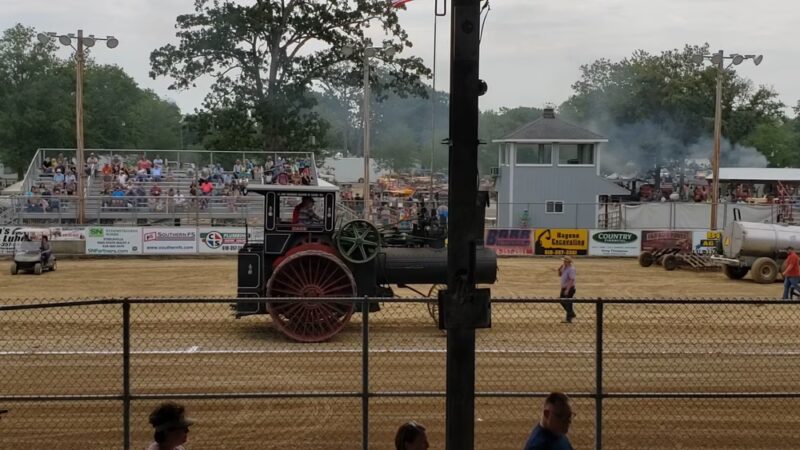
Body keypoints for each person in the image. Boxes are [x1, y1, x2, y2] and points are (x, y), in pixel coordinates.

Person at [558, 256, 577, 323]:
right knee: (563, 301)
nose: (563, 262)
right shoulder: (564, 267)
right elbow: (560, 275)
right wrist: (559, 270)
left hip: (569, 288)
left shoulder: (571, 269)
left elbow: (572, 280)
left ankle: (569, 316)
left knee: (568, 303)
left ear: (568, 262)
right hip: (564, 288)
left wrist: (567, 289)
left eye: (564, 261)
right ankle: (571, 314)